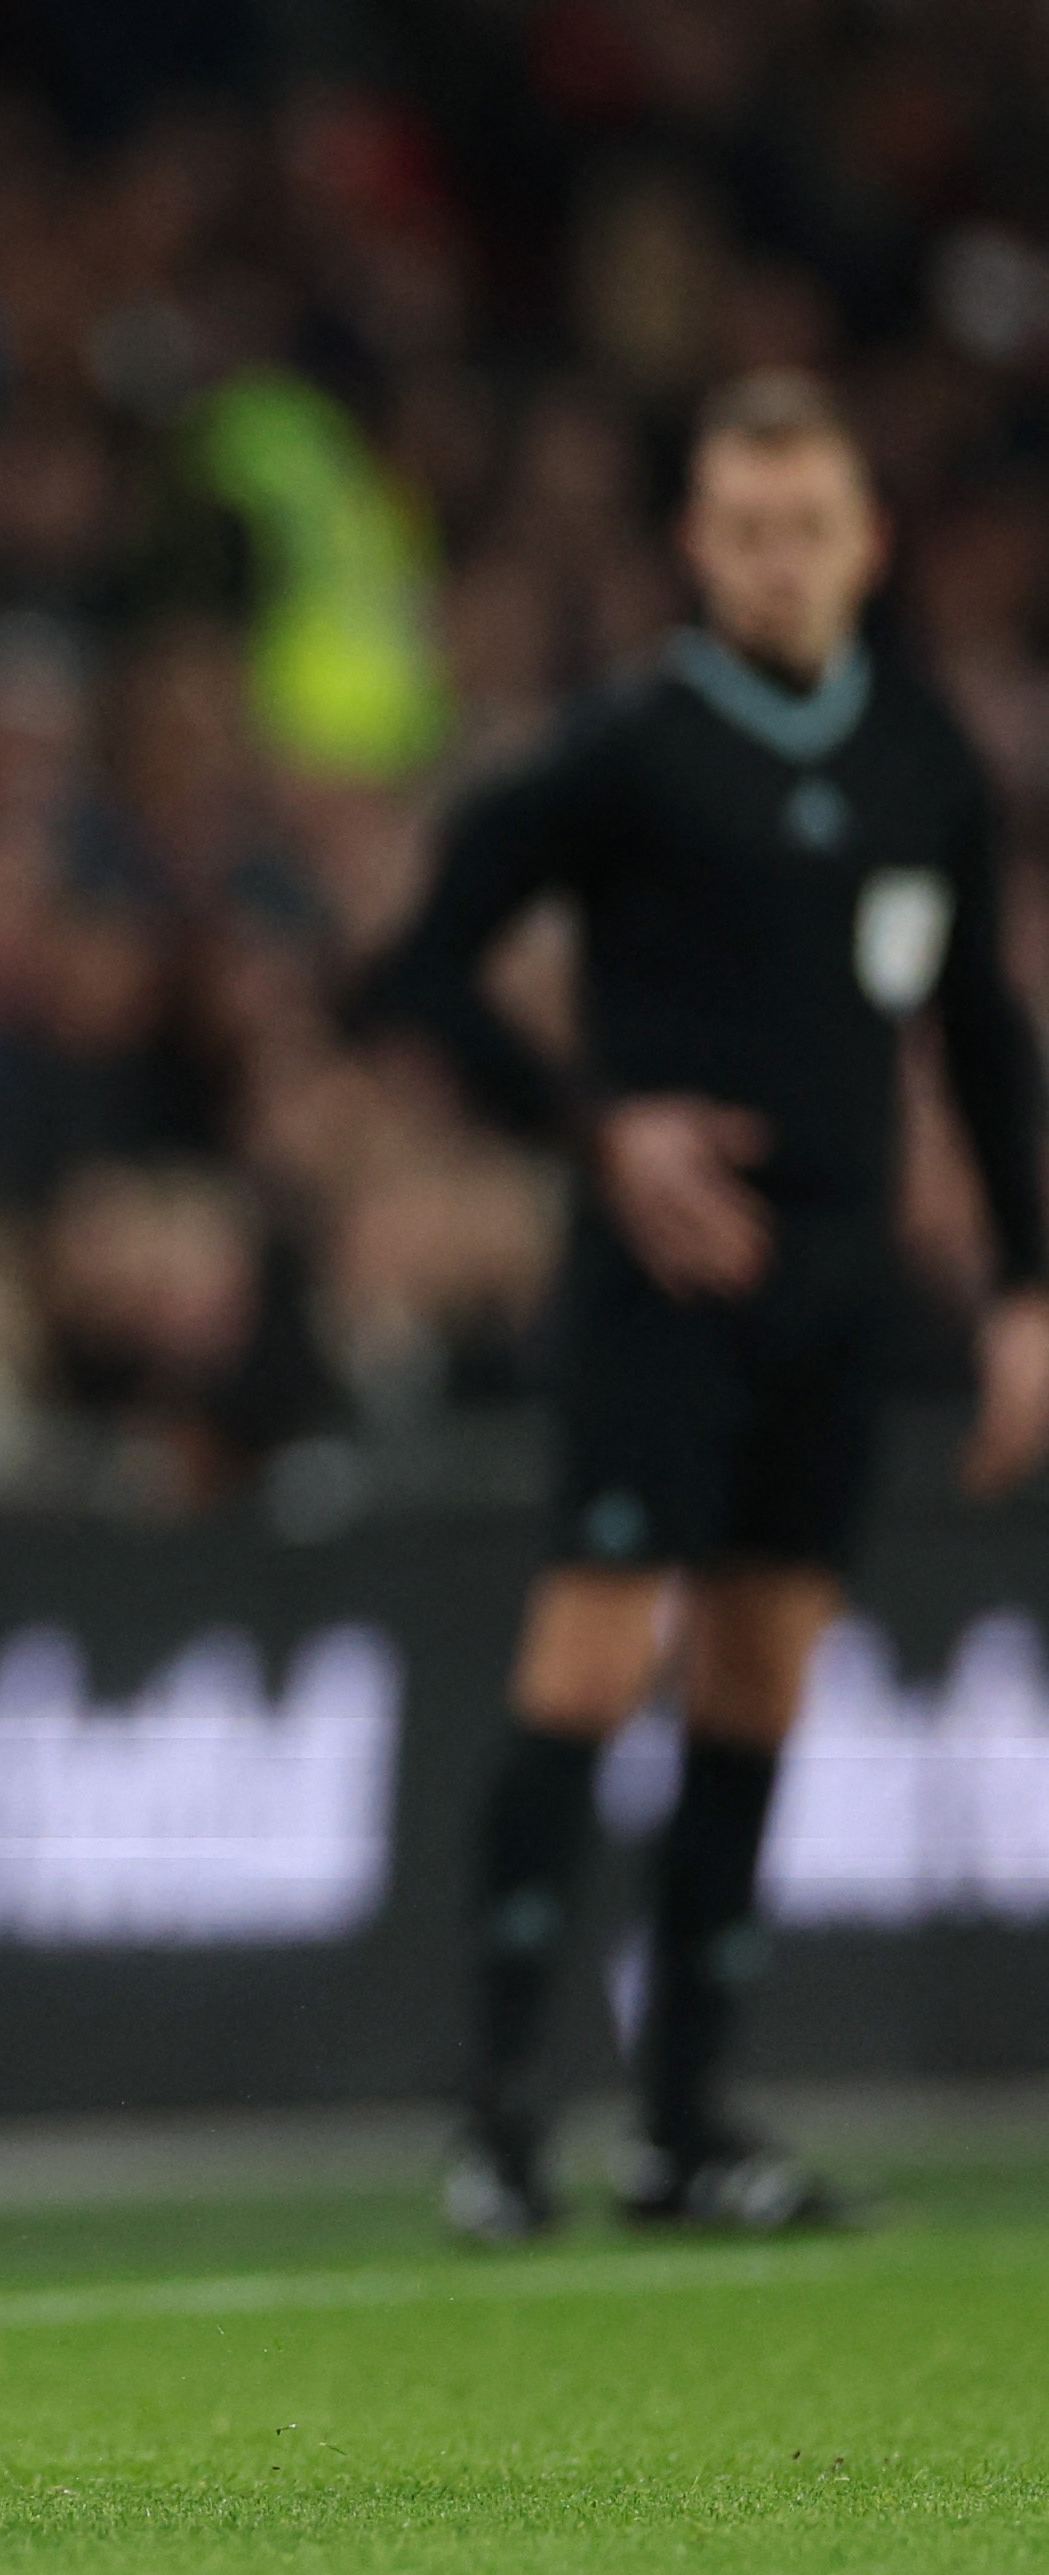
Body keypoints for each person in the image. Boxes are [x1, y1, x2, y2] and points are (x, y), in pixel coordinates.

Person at [375, 369, 1049, 2240]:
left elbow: (981, 1037)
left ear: (867, 541)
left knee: (759, 1677)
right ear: (695, 543)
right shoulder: (628, 746)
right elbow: (424, 963)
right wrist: (599, 1128)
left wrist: (1025, 1284)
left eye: (806, 528)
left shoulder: (919, 753)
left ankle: (686, 2124)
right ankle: (501, 2114)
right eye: (745, 530)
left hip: (835, 1290)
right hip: (658, 1291)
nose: (775, 561)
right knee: (593, 1666)